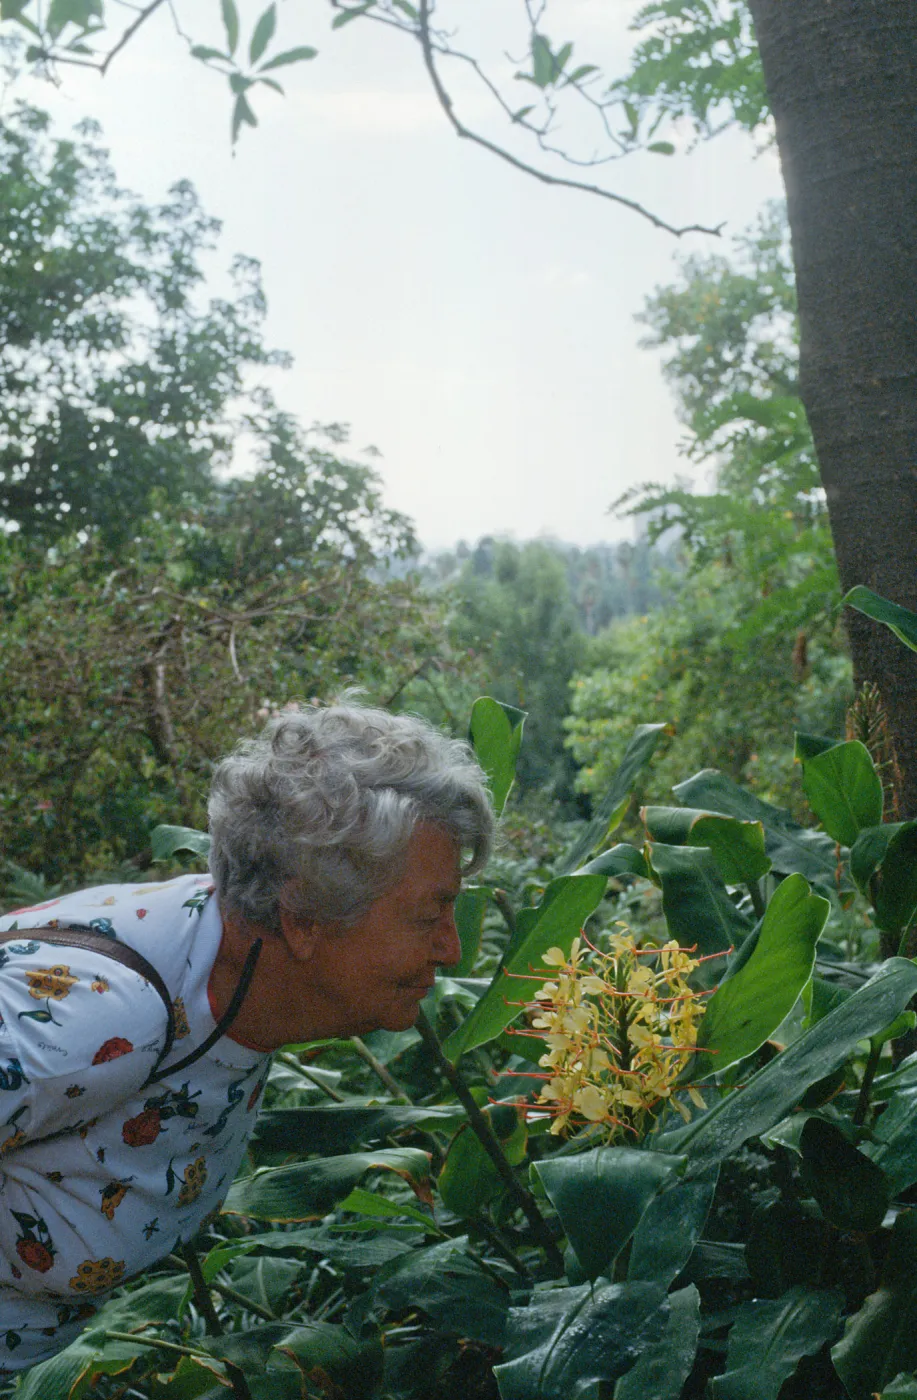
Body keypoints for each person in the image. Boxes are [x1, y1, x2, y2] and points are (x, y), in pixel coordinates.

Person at [0, 702, 494, 1372]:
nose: (451, 948)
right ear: (304, 918)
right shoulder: (91, 1021)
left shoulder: (241, 989)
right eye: (429, 914)